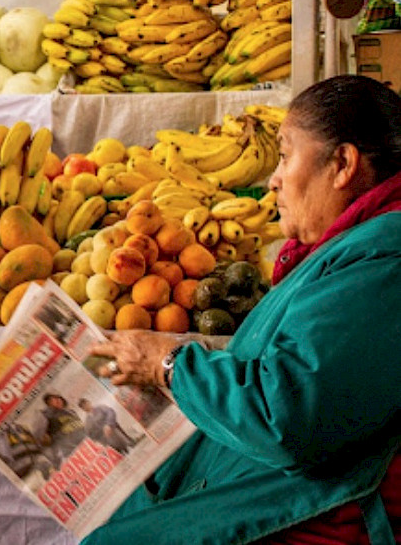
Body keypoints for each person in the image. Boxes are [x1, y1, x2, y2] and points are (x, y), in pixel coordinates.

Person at [84, 75, 401, 544]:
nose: (274, 178)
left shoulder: (382, 260)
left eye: (287, 154)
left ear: (342, 164)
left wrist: (166, 365)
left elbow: (286, 413)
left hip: (319, 515)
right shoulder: (358, 247)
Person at [41, 393, 87, 467]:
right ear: (49, 405)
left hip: (86, 443)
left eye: (58, 398)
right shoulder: (50, 418)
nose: (57, 400)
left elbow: (80, 425)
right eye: (53, 400)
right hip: (73, 451)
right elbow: (48, 439)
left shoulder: (71, 412)